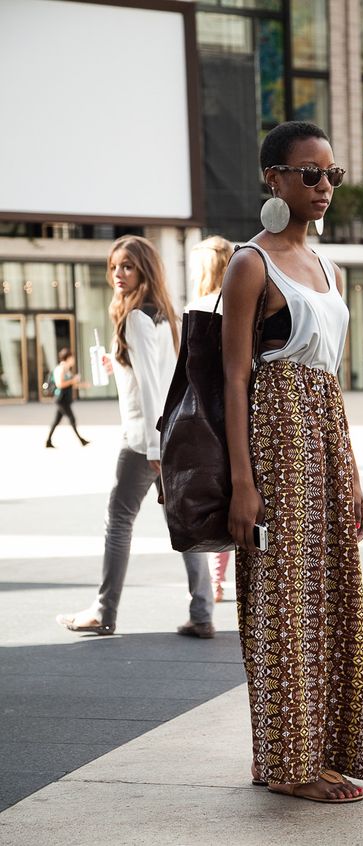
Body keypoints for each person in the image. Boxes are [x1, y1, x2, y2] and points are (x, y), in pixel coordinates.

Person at [221, 121, 363, 804]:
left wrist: (353, 476)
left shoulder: (332, 268)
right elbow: (232, 380)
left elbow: (332, 379)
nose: (323, 187)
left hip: (324, 435)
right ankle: (287, 763)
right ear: (272, 178)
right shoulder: (250, 263)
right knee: (284, 604)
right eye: (309, 173)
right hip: (275, 441)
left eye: (331, 175)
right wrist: (242, 483)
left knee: (332, 602)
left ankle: (316, 750)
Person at [56, 235, 215, 638]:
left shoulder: (136, 318)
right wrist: (118, 363)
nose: (117, 275)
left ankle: (104, 612)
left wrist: (152, 446)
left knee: (118, 521)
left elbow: (151, 386)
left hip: (145, 438)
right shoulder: (163, 315)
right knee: (184, 522)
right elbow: (161, 374)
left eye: (126, 266)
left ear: (143, 268)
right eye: (113, 267)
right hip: (168, 435)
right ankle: (202, 613)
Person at [186, 235, 234, 602]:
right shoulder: (242, 305)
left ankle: (210, 586)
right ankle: (219, 579)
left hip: (205, 415)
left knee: (206, 494)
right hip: (240, 410)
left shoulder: (199, 307)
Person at [45, 348, 89, 448]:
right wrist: (73, 380)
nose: (73, 360)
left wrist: (82, 385)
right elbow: (60, 384)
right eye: (72, 357)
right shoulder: (60, 369)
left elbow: (71, 384)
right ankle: (81, 440)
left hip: (64, 400)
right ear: (68, 358)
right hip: (61, 399)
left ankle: (48, 441)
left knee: (56, 421)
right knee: (72, 419)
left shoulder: (67, 370)